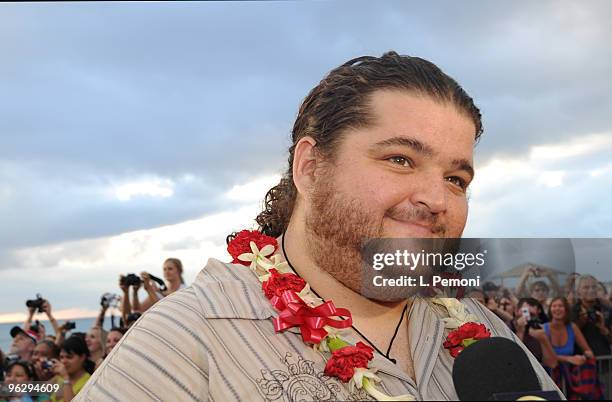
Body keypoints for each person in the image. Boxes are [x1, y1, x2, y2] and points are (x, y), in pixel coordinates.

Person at [77, 51, 559, 401]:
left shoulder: (483, 332)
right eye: (400, 159)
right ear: (310, 168)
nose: (437, 200)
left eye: (456, 178)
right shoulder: (192, 340)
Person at [119, 258, 186, 315]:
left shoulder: (185, 290)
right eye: (164, 269)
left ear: (179, 271)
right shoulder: (158, 292)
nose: (167, 272)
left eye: (170, 269)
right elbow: (137, 310)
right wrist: (135, 292)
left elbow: (164, 311)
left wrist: (150, 289)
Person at [571, 274, 612, 357]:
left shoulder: (607, 310)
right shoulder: (572, 311)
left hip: (604, 360)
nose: (591, 290)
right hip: (581, 362)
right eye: (586, 287)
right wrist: (580, 323)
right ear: (578, 291)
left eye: (594, 287)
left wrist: (604, 329)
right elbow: (567, 339)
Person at [510, 298, 557, 368]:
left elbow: (552, 364)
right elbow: (512, 360)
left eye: (532, 315)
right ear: (516, 311)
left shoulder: (539, 330)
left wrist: (543, 339)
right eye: (525, 312)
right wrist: (520, 333)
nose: (528, 318)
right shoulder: (506, 327)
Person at [49, 336, 93, 402]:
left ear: (82, 357)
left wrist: (66, 379)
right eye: (61, 357)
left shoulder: (89, 382)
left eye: (69, 357)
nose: (64, 361)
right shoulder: (60, 378)